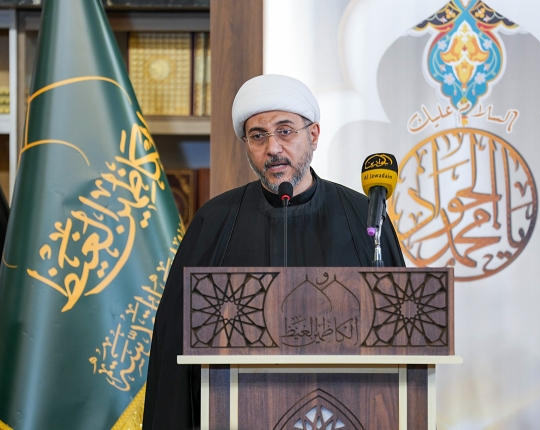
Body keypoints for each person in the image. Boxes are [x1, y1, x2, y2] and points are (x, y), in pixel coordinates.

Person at [142, 74, 405, 429]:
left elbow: (401, 329)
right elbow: (174, 339)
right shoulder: (215, 221)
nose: (273, 149)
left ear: (313, 135)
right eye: (258, 136)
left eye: (285, 131)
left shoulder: (363, 217)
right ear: (246, 144)